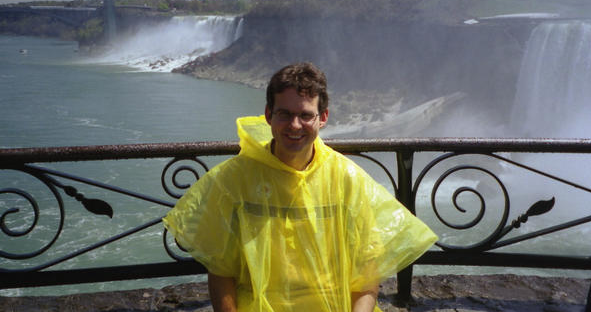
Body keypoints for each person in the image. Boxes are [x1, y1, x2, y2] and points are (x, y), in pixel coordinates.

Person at [163, 62, 437, 312]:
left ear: (323, 117)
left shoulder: (347, 179)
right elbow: (221, 271)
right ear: (268, 115)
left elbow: (366, 277)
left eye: (306, 115)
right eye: (284, 114)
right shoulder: (233, 179)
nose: (295, 125)